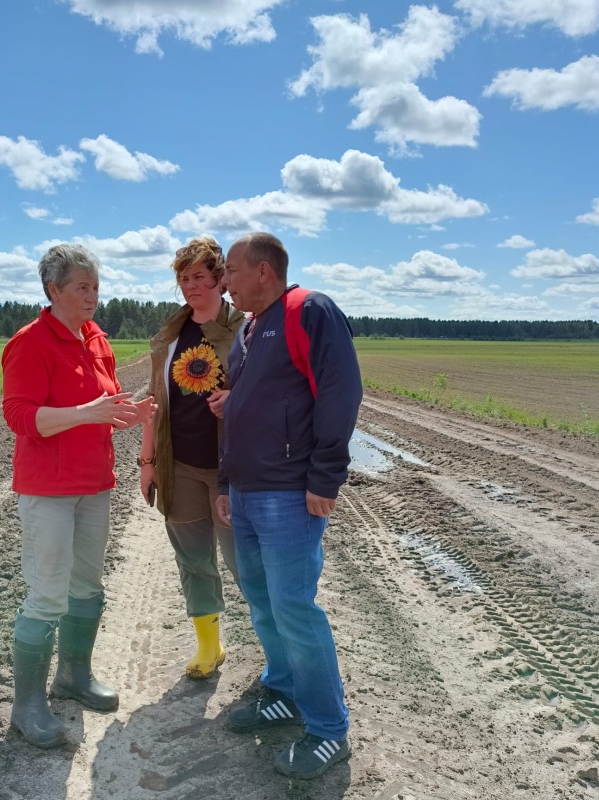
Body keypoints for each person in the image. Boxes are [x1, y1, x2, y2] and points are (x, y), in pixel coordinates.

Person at [216, 232, 363, 780]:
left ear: (262, 271)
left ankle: (328, 730)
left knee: (295, 609)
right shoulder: (249, 332)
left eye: (230, 270)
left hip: (288, 492)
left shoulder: (309, 311)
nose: (224, 281)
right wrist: (227, 482)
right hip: (250, 494)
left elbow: (340, 392)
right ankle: (282, 692)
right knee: (262, 603)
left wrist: (325, 476)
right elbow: (250, 411)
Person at [2, 243, 156, 749]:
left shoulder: (97, 340)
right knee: (47, 592)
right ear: (54, 290)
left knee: (87, 585)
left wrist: (125, 413)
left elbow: (101, 407)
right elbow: (20, 418)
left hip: (95, 484)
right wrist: (85, 412)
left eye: (96, 286)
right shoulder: (31, 342)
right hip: (48, 490)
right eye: (82, 287)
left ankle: (74, 676)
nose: (92, 296)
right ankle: (27, 705)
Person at [139, 236, 245, 679]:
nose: (190, 286)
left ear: (221, 280)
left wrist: (235, 399)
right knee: (193, 560)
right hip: (179, 466)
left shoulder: (246, 329)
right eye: (184, 279)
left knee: (245, 561)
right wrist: (147, 462)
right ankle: (209, 646)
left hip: (233, 470)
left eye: (199, 277)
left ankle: (278, 653)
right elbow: (155, 400)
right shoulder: (170, 334)